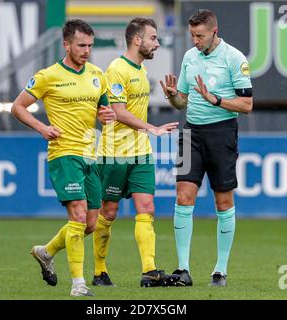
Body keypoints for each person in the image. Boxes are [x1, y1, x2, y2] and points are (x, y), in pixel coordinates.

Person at [11, 19, 115, 297]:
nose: (87, 50)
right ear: (66, 44)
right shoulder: (48, 76)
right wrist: (42, 127)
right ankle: (78, 284)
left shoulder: (97, 74)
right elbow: (18, 107)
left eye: (90, 45)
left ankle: (47, 252)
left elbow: (104, 113)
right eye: (81, 45)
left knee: (91, 223)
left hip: (90, 156)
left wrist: (106, 116)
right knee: (79, 215)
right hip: (63, 154)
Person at [160, 9, 253, 286]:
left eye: (199, 36)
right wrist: (174, 96)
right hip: (191, 134)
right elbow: (183, 102)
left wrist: (215, 100)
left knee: (223, 201)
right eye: (192, 35)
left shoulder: (234, 58)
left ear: (214, 30)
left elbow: (247, 105)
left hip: (222, 134)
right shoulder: (190, 57)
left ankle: (220, 270)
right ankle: (183, 269)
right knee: (183, 197)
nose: (195, 41)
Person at [93, 17, 179, 288]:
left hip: (140, 153)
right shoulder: (117, 69)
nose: (157, 43)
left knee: (147, 208)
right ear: (137, 39)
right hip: (115, 153)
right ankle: (99, 271)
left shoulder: (141, 71)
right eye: (153, 38)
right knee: (108, 211)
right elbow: (118, 113)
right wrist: (151, 128)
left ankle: (149, 271)